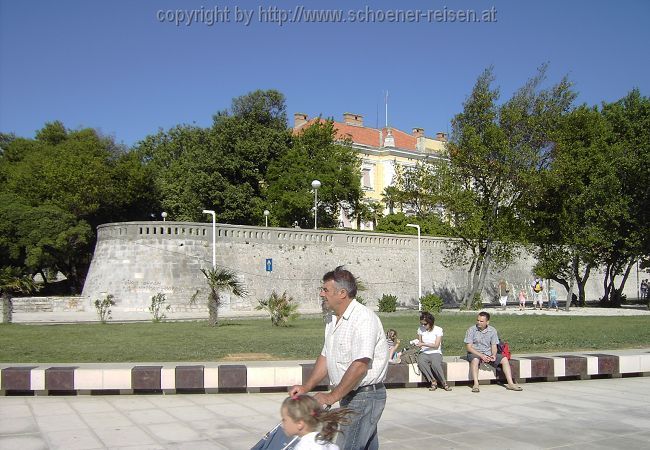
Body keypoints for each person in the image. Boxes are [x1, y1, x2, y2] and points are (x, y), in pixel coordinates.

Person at [289, 267, 389, 450]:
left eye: (325, 290)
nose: (321, 294)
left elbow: (360, 366)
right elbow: (326, 357)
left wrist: (331, 397)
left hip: (365, 396)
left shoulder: (364, 319)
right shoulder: (332, 320)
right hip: (350, 395)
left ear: (342, 293)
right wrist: (306, 387)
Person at [464, 311, 523, 393]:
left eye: (481, 321)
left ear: (487, 322)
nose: (479, 322)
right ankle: (476, 384)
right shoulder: (471, 330)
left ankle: (510, 383)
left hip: (488, 352)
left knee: (504, 359)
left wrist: (494, 355)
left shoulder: (492, 330)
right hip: (475, 352)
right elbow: (469, 347)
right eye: (478, 320)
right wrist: (481, 355)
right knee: (475, 360)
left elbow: (494, 346)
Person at [281, 394, 354, 449]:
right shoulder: (327, 444)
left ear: (300, 424)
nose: (282, 422)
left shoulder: (303, 447)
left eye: (284, 419)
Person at [415, 312, 452, 391]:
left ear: (430, 323)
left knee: (435, 364)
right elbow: (420, 342)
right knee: (421, 362)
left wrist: (423, 344)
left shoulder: (438, 330)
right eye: (421, 324)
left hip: (435, 352)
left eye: (425, 324)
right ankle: (432, 381)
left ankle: (443, 382)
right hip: (424, 352)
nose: (423, 326)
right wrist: (417, 343)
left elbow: (436, 345)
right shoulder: (420, 329)